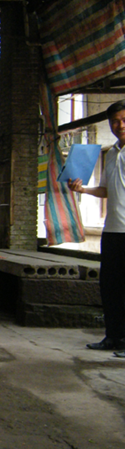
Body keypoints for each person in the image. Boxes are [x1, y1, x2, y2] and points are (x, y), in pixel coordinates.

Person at [68, 100, 125, 351]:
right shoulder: (112, 152)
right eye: (115, 121)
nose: (120, 125)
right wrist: (83, 190)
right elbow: (105, 190)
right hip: (112, 230)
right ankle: (113, 336)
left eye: (124, 119)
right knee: (110, 287)